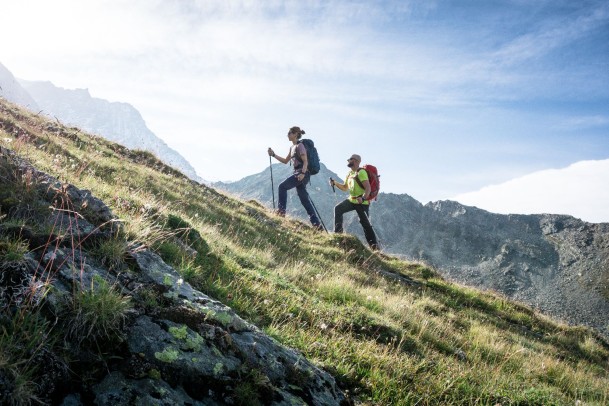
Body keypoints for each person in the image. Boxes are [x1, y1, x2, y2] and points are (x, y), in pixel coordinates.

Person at [267, 126, 322, 229]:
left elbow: (305, 161)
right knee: (304, 199)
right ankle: (317, 225)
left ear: (295, 134)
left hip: (302, 173)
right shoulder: (292, 148)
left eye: (289, 133)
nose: (287, 135)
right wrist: (273, 154)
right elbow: (285, 161)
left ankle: (281, 212)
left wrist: (302, 173)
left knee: (282, 187)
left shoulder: (300, 146)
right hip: (300, 173)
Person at [330, 154, 379, 250]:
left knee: (365, 224)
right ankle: (338, 234)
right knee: (338, 209)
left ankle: (374, 248)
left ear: (356, 161)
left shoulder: (361, 173)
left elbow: (368, 188)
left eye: (350, 159)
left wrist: (364, 198)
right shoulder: (349, 173)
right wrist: (335, 183)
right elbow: (345, 188)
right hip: (352, 200)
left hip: (362, 202)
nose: (348, 161)